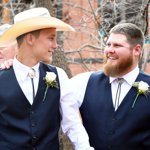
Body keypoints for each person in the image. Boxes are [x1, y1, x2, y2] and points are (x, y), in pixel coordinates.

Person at [0, 7, 94, 150]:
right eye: (51, 38)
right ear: (30, 38)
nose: (55, 45)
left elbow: (72, 124)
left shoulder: (59, 76)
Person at [62, 23, 150, 150]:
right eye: (108, 44)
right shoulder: (84, 82)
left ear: (136, 50)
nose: (109, 50)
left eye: (117, 45)